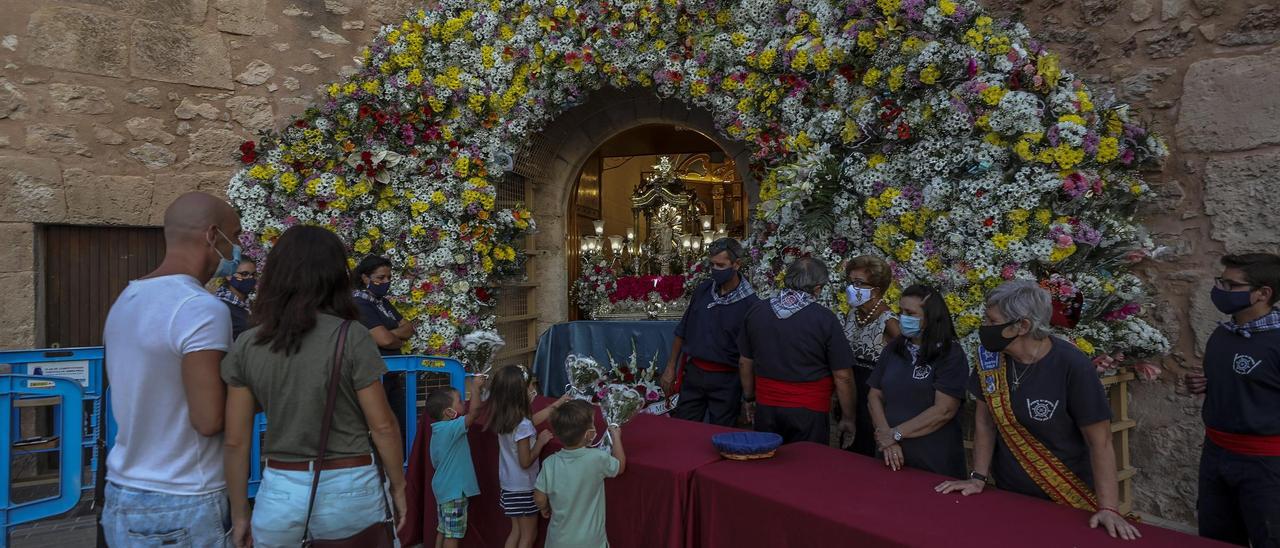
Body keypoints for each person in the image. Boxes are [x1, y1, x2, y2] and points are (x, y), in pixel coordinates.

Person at [221, 226, 406, 547]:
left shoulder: (250, 343)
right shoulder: (352, 336)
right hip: (350, 485)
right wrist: (399, 487)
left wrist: (239, 514)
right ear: (335, 275)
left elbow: (236, 441)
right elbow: (383, 426)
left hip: (280, 487)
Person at [936, 280, 1140, 541]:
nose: (984, 328)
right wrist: (977, 478)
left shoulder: (1072, 365)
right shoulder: (990, 360)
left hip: (1065, 495)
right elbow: (985, 423)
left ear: (1022, 326)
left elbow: (1099, 441)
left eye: (991, 321)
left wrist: (1109, 508)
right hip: (1009, 494)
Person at [100, 192, 238, 546]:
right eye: (235, 237)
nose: (237, 249)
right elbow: (209, 420)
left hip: (122, 492)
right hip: (184, 498)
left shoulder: (126, 299)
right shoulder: (201, 308)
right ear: (212, 235)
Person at [1185, 253, 1280, 547]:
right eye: (1220, 282)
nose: (1220, 291)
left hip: (1266, 465)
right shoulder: (1222, 334)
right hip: (1216, 457)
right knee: (1216, 538)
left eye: (1231, 285)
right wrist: (1206, 385)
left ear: (1262, 294)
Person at [738, 257, 857, 445]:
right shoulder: (825, 319)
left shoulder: (757, 311)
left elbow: (745, 362)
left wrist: (749, 398)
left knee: (766, 465)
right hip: (809, 412)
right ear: (817, 288)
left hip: (766, 408)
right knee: (806, 469)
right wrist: (848, 417)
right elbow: (843, 376)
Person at [866, 285, 966, 478]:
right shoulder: (895, 347)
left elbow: (944, 410)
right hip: (889, 453)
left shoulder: (950, 354)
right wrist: (886, 436)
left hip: (932, 458)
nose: (903, 317)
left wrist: (895, 434)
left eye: (910, 313)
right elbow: (874, 395)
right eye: (901, 311)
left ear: (930, 317)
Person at [661, 238, 759, 426]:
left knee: (720, 433)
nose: (715, 270)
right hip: (694, 374)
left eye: (721, 265)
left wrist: (749, 395)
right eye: (712, 264)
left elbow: (749, 356)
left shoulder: (750, 304)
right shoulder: (704, 290)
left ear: (736, 264)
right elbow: (683, 330)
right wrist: (670, 367)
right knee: (682, 428)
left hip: (727, 380)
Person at [485, 365, 568, 548]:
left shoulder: (506, 417)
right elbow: (525, 461)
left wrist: (558, 403)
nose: (533, 389)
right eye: (530, 386)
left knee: (516, 532)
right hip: (524, 488)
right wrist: (540, 442)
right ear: (519, 393)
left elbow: (533, 420)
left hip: (509, 486)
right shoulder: (522, 425)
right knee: (528, 537)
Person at [534, 400, 625, 548]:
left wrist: (544, 507)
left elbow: (539, 497)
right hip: (591, 541)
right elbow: (619, 466)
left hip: (558, 541)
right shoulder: (597, 458)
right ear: (588, 435)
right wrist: (616, 437)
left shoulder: (550, 463)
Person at [841, 255, 901, 456]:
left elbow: (904, 358)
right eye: (850, 282)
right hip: (850, 391)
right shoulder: (853, 314)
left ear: (875, 290)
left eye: (858, 283)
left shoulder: (888, 321)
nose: (851, 288)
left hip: (874, 395)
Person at [353, 255, 418, 437]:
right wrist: (394, 338)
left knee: (401, 426)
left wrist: (389, 336)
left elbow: (408, 327)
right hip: (374, 377)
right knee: (382, 428)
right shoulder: (360, 303)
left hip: (391, 376)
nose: (386, 282)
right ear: (365, 278)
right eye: (380, 278)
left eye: (389, 277)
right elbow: (385, 341)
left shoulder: (383, 303)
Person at [426, 382, 486, 548]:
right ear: (450, 412)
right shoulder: (451, 428)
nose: (464, 403)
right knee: (453, 536)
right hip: (454, 492)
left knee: (444, 530)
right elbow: (474, 413)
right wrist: (475, 387)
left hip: (444, 490)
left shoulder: (438, 430)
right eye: (460, 401)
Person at [215, 256, 257, 341]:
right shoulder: (220, 307)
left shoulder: (250, 305)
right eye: (244, 274)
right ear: (229, 275)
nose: (250, 278)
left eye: (253, 275)